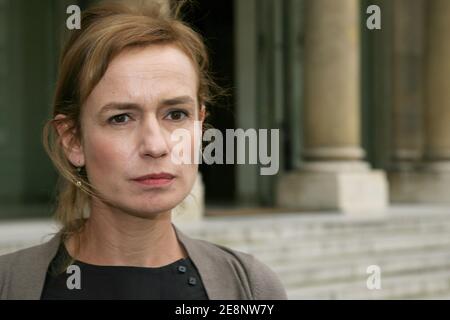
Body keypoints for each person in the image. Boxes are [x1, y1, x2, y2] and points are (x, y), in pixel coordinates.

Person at [0, 0, 287, 300]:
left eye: (176, 114)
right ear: (73, 140)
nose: (156, 146)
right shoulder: (10, 286)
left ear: (200, 126)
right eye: (121, 118)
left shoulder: (250, 288)